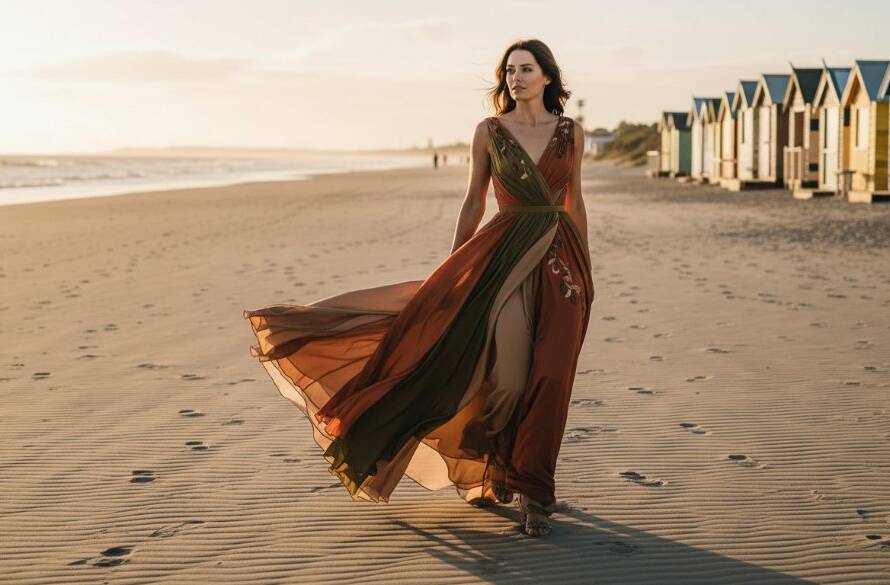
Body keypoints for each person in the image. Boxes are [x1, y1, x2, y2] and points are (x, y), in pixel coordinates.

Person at [243, 38, 594, 538]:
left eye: (526, 69)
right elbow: (473, 201)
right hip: (502, 261)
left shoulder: (570, 132)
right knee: (512, 378)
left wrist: (585, 265)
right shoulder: (489, 132)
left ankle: (535, 492)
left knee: (553, 377)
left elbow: (575, 204)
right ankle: (498, 465)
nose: (516, 78)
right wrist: (451, 272)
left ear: (547, 77)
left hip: (560, 265)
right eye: (510, 71)